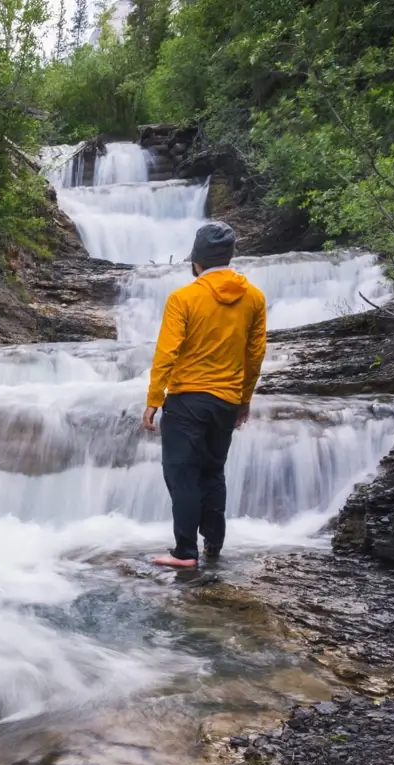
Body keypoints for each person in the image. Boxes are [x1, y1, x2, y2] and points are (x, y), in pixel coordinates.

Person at [142, 221, 267, 568]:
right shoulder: (254, 298)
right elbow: (255, 355)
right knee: (213, 471)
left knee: (182, 473)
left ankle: (185, 552)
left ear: (196, 260)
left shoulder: (184, 297)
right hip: (226, 400)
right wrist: (244, 399)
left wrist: (154, 398)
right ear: (230, 256)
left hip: (187, 399)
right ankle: (213, 543)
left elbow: (167, 351)